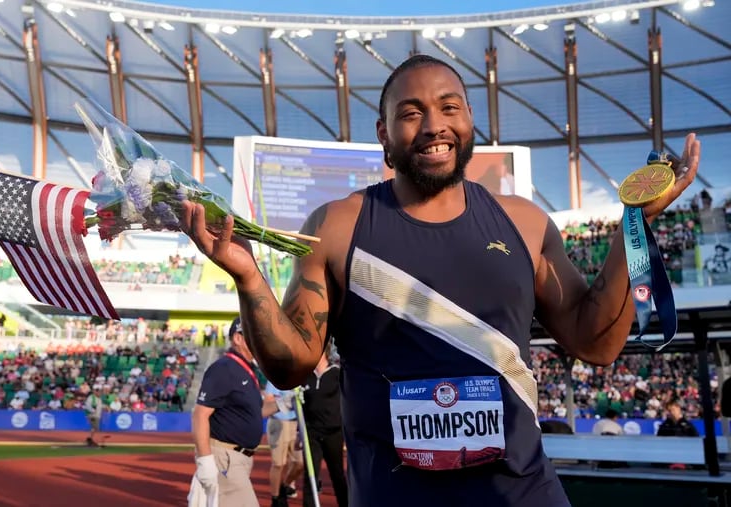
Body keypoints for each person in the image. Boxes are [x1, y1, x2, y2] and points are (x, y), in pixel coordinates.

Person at [180, 54, 701, 507]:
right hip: (393, 497)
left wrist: (634, 224)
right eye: (411, 113)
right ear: (383, 133)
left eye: (450, 108)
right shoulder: (337, 226)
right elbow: (291, 365)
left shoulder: (524, 221)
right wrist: (249, 278)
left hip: (519, 494)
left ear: (470, 119)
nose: (434, 125)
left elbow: (597, 341)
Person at [191, 316, 278, 506]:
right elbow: (200, 415)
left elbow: (255, 412)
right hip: (225, 457)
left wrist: (285, 403)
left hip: (239, 459)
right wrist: (205, 461)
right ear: (237, 339)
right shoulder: (224, 368)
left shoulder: (246, 369)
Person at [301, 341, 348, 507]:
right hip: (311, 434)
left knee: (337, 475)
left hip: (333, 433)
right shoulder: (305, 376)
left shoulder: (337, 374)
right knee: (310, 476)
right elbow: (302, 405)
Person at [264, 380, 304, 507]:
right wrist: (283, 402)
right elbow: (267, 402)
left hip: (296, 423)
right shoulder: (275, 379)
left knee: (300, 462)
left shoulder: (299, 378)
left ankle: (285, 485)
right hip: (278, 422)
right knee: (278, 464)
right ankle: (275, 498)